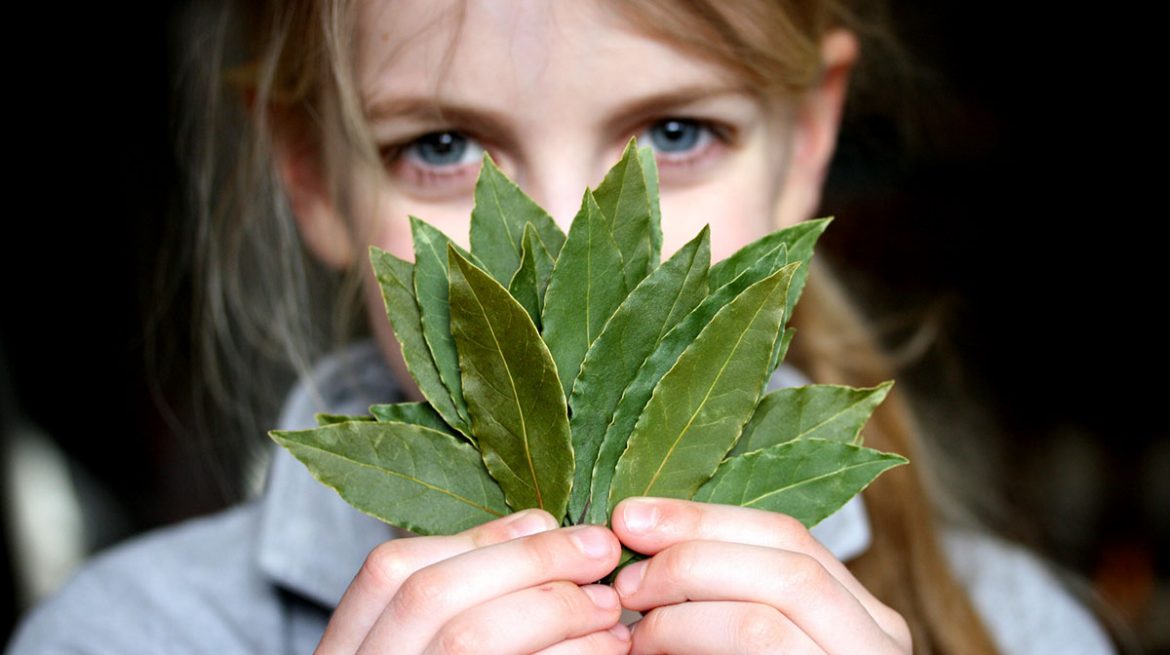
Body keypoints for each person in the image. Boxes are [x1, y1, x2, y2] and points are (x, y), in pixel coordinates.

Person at [8, 1, 1116, 653]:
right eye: (441, 147)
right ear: (310, 174)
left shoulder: (1015, 626)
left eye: (676, 131)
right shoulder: (128, 632)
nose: (560, 247)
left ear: (810, 137)